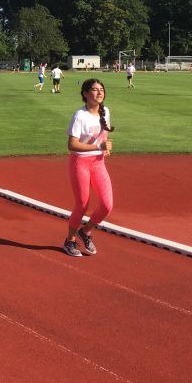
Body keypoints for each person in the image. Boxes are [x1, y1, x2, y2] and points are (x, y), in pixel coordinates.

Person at [62, 78, 114, 257]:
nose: (99, 92)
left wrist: (105, 147)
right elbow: (72, 145)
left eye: (102, 89)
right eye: (95, 89)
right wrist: (97, 146)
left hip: (98, 163)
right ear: (85, 93)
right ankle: (69, 240)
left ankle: (85, 231)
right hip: (80, 162)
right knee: (83, 204)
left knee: (107, 205)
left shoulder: (106, 112)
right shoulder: (80, 116)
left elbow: (103, 136)